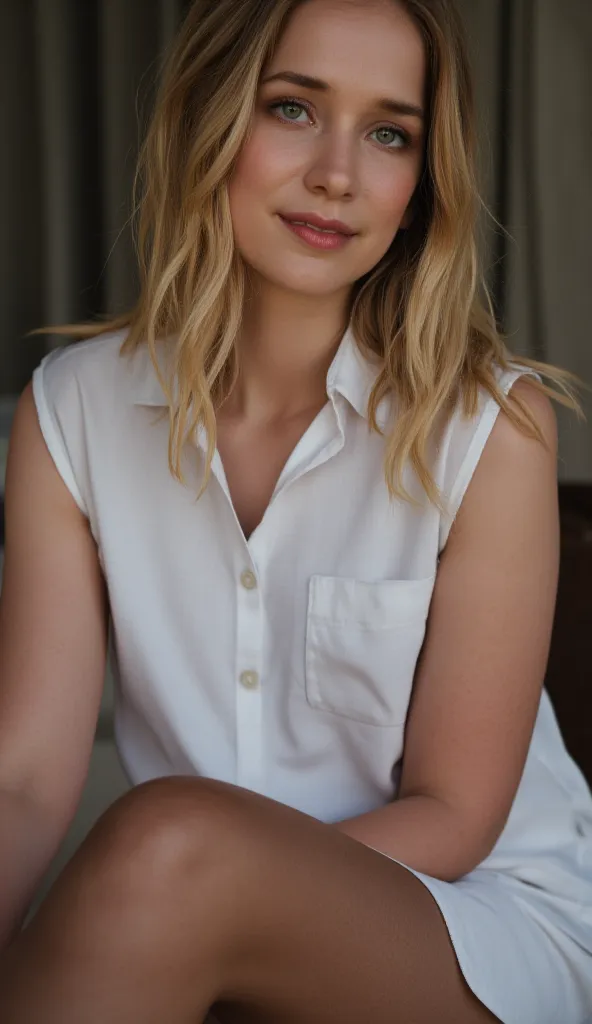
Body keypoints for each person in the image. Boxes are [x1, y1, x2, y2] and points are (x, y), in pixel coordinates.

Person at [0, 0, 591, 1020]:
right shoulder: (71, 411)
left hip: (470, 925)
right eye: (291, 108)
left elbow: (454, 813)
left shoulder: (491, 426)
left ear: (418, 188)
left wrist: (210, 897)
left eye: (388, 132)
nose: (336, 174)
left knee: (164, 837)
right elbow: (23, 780)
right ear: (208, 120)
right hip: (185, 890)